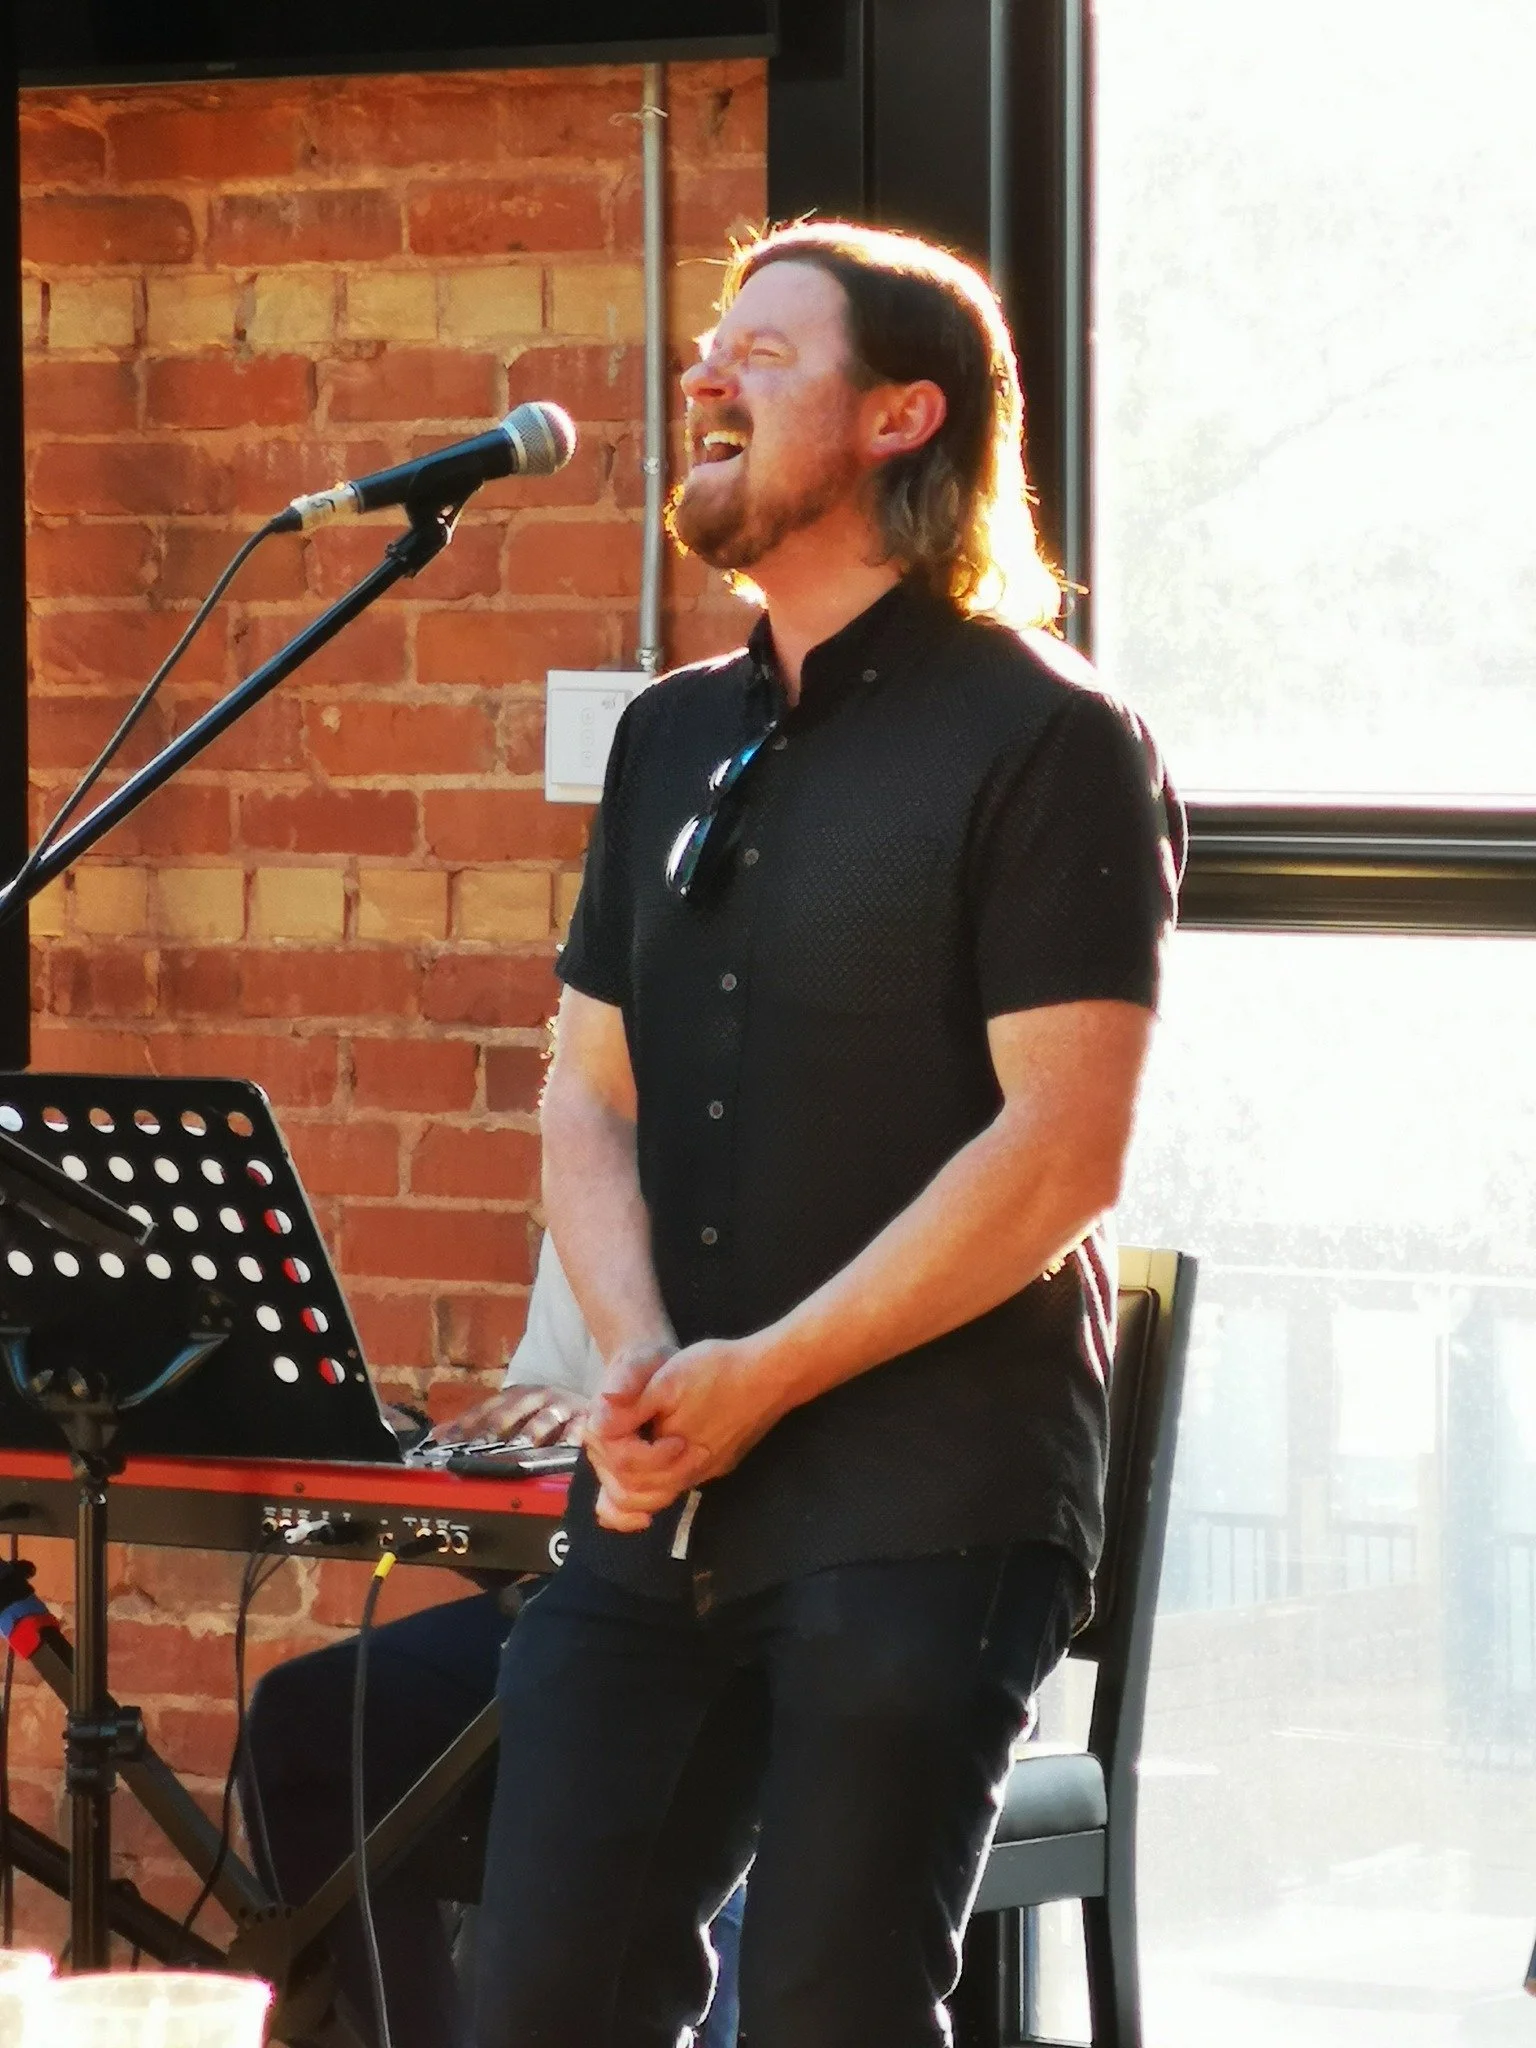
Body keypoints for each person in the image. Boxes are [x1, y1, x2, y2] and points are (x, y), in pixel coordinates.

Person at [469, 219, 1185, 2048]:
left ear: (900, 417)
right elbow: (585, 1095)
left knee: (822, 2011)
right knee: (540, 1985)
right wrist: (638, 1365)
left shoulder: (1052, 737)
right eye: (710, 345)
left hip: (929, 1497)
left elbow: (1061, 1152)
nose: (704, 375)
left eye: (764, 354)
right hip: (665, 1487)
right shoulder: (668, 736)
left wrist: (765, 1373)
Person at [242, 1232, 745, 2048]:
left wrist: (623, 1426)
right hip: (590, 1591)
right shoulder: (600, 1144)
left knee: (663, 1745)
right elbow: (546, 1397)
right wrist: (506, 1432)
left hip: (752, 1611)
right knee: (306, 1722)